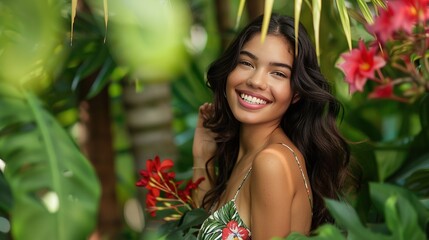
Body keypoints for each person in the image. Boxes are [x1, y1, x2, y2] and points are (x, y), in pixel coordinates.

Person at [192, 13, 351, 239]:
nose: (256, 81)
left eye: (278, 73)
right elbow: (200, 230)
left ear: (296, 93)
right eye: (246, 63)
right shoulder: (249, 155)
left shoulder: (271, 162)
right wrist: (202, 155)